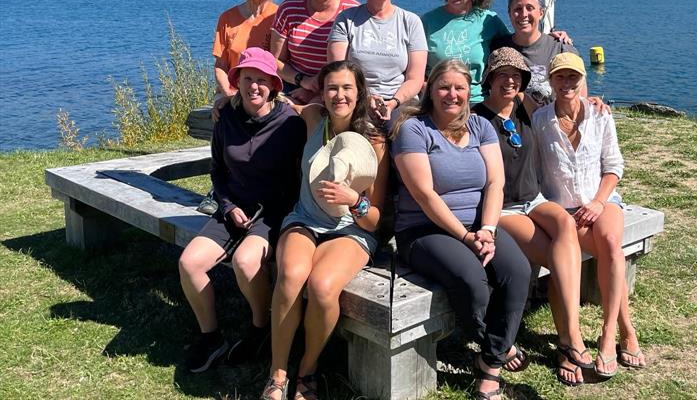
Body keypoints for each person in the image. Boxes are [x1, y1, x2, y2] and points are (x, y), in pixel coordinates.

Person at [391, 59, 532, 400]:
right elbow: (425, 195)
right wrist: (467, 237)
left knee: (518, 271)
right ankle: (499, 348)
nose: (451, 94)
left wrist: (487, 229)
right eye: (443, 86)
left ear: (470, 91)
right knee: (473, 283)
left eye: (459, 87)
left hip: (478, 226)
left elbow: (496, 183)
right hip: (424, 230)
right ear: (429, 89)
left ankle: (489, 364)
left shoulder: (481, 126)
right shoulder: (413, 130)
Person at [263, 60, 389, 400]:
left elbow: (377, 218)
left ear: (359, 92)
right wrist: (224, 101)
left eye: (347, 88)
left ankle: (307, 370)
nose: (339, 95)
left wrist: (354, 200)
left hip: (352, 230)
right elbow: (284, 101)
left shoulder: (374, 140)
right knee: (290, 276)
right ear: (322, 91)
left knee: (321, 286)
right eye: (332, 87)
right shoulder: (314, 117)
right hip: (304, 219)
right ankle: (277, 372)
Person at [178, 48, 306, 373]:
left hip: (274, 211)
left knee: (245, 262)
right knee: (189, 263)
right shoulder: (226, 119)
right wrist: (228, 205)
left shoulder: (290, 123)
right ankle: (211, 337)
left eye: (262, 80)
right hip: (232, 207)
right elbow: (218, 171)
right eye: (248, 78)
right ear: (237, 81)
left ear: (274, 85)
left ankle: (260, 328)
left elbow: (301, 175)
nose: (254, 87)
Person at [473, 48, 590, 386]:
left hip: (535, 199)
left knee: (565, 226)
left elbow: (565, 90)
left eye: (516, 75)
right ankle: (570, 341)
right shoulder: (478, 118)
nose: (509, 80)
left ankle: (569, 337)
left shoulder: (528, 107)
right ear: (490, 79)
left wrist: (592, 100)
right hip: (504, 207)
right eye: (502, 74)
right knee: (558, 254)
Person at [532, 52, 646, 377]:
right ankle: (628, 330)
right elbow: (537, 174)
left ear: (584, 80)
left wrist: (598, 202)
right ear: (551, 82)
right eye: (560, 77)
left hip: (602, 201)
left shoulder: (600, 115)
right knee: (592, 253)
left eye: (573, 77)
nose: (567, 83)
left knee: (610, 242)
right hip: (565, 210)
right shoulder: (540, 121)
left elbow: (614, 166)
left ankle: (609, 334)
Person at [328, 0, 427, 122]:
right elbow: (337, 71)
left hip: (401, 103)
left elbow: (415, 79)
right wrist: (366, 99)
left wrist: (393, 103)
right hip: (356, 101)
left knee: (407, 138)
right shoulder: (346, 19)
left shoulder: (411, 22)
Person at [271, 0, 359, 105]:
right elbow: (275, 61)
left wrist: (319, 91)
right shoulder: (289, 9)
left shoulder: (353, 12)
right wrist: (303, 81)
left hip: (338, 91)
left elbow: (354, 66)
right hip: (294, 86)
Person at [421, 0, 509, 104]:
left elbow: (516, 48)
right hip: (438, 104)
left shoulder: (489, 21)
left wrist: (551, 38)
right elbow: (413, 69)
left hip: (478, 103)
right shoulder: (427, 22)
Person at [490, 0, 578, 104]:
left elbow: (579, 91)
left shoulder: (560, 48)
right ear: (510, 13)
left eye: (530, 8)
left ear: (541, 13)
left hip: (549, 119)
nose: (524, 14)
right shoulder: (498, 49)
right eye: (517, 9)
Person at [213, 0, 279, 101]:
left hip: (268, 92)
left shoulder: (279, 16)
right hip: (233, 91)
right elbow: (220, 66)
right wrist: (228, 93)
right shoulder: (227, 18)